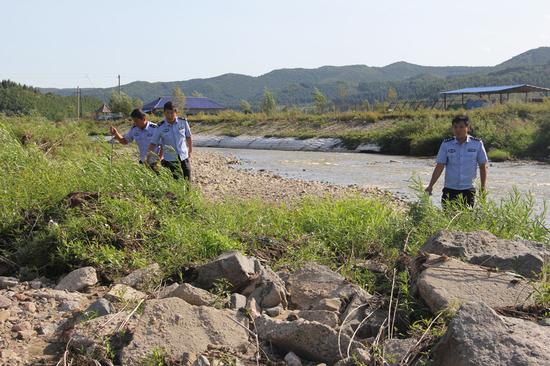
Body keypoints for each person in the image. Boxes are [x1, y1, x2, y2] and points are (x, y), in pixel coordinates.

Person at [425, 115, 488, 207]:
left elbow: (483, 166)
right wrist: (430, 185)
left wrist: (483, 188)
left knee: (466, 219)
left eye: (461, 127)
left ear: (468, 128)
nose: (458, 130)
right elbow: (439, 166)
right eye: (455, 127)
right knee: (448, 219)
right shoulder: (446, 144)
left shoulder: (477, 144)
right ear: (452, 128)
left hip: (468, 190)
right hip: (450, 189)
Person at [148, 101, 193, 180]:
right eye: (167, 113)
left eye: (172, 113)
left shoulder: (183, 122)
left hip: (183, 156)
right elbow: (153, 143)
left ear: (176, 112)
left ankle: (187, 192)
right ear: (164, 113)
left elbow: (188, 137)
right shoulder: (160, 127)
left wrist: (190, 151)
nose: (169, 115)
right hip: (170, 158)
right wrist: (148, 156)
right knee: (177, 179)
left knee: (187, 177)